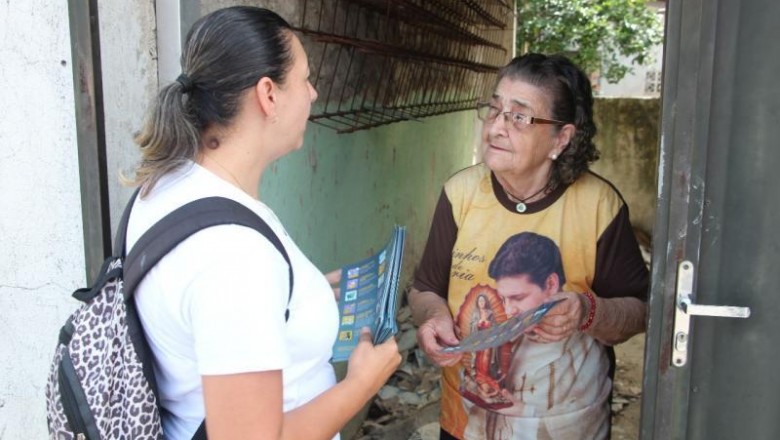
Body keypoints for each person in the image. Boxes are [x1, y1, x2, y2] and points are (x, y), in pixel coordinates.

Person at [126, 6, 400, 440]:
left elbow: (213, 318)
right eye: (306, 79)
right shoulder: (234, 257)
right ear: (268, 94)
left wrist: (297, 296)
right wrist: (361, 385)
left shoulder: (167, 185)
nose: (312, 94)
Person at [408, 53, 649, 440]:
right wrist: (433, 317)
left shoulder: (598, 205)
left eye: (519, 116)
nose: (496, 127)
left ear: (561, 137)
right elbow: (425, 290)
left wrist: (588, 312)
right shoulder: (461, 194)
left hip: (570, 427)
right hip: (468, 424)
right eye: (494, 108)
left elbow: (639, 312)